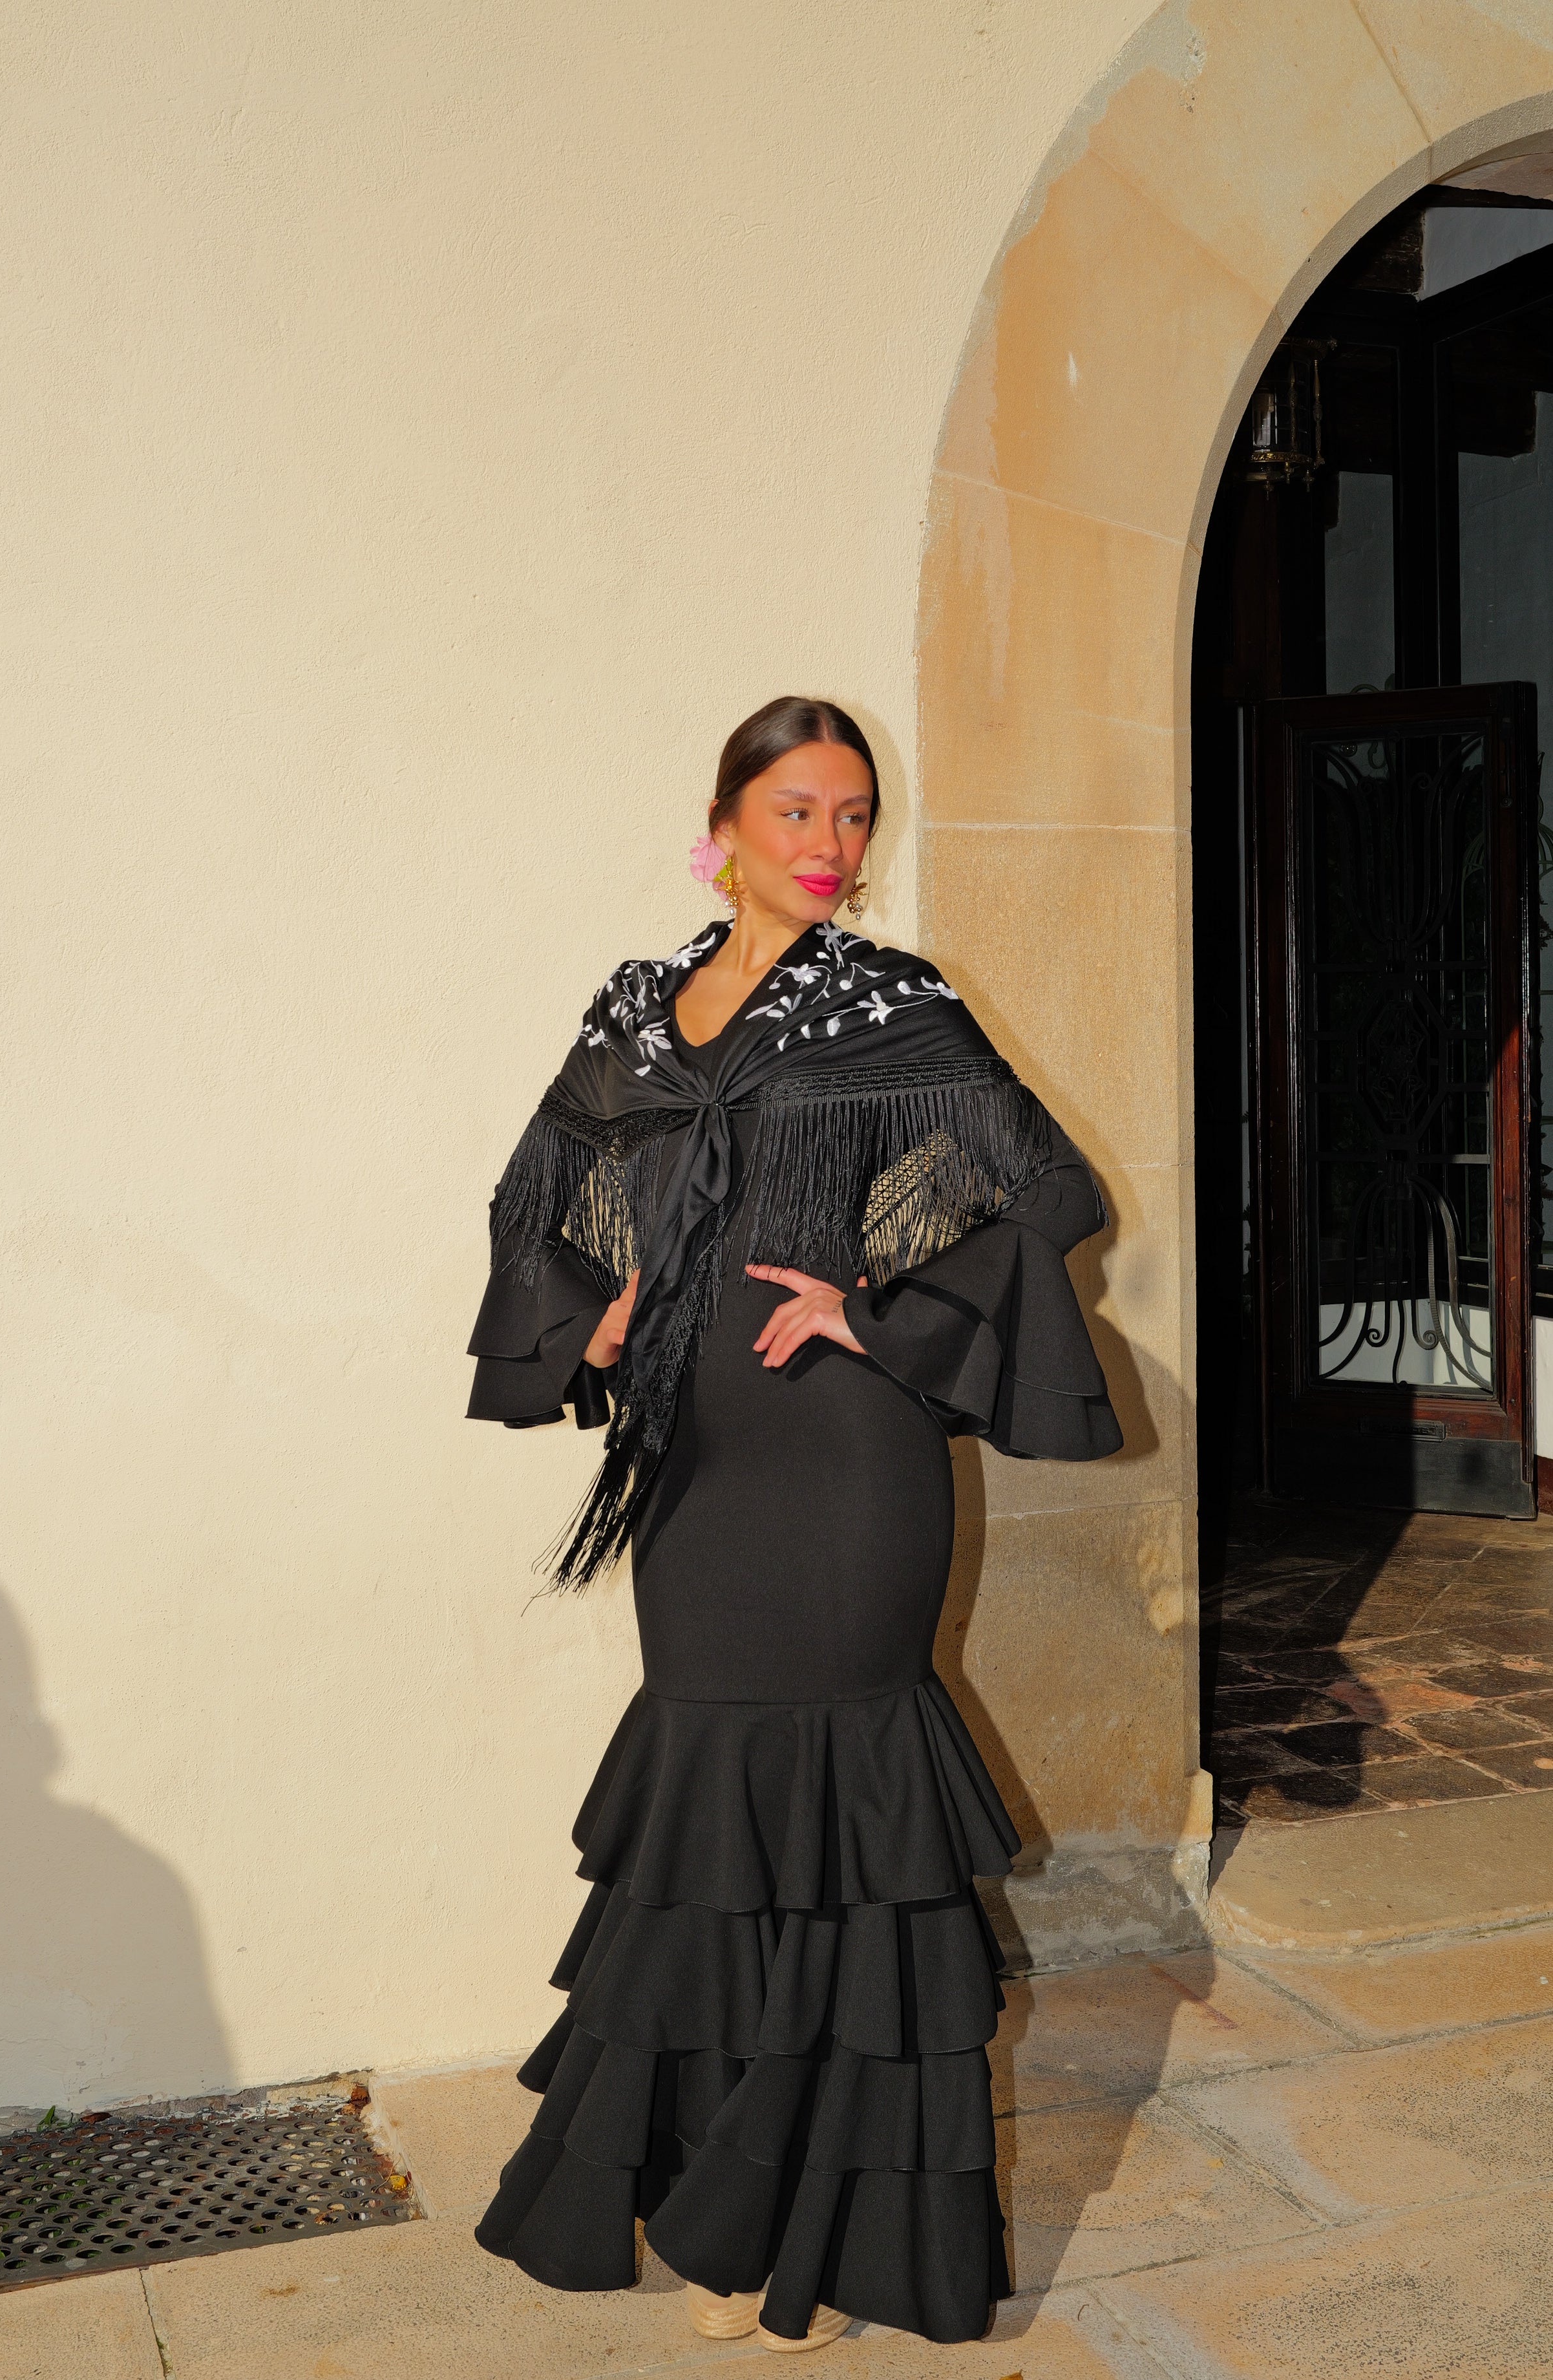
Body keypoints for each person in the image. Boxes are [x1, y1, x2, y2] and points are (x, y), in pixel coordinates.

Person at [467, 696, 1121, 2352]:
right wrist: (597, 1316)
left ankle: (818, 2242)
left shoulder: (893, 1007)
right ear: (725, 819)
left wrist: (878, 1308)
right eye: (797, 813)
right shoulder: (636, 1011)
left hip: (847, 1468)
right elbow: (534, 1195)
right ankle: (720, 2200)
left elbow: (1050, 1193)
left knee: (843, 1843)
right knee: (718, 1832)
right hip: (694, 1473)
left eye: (853, 816)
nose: (830, 848)